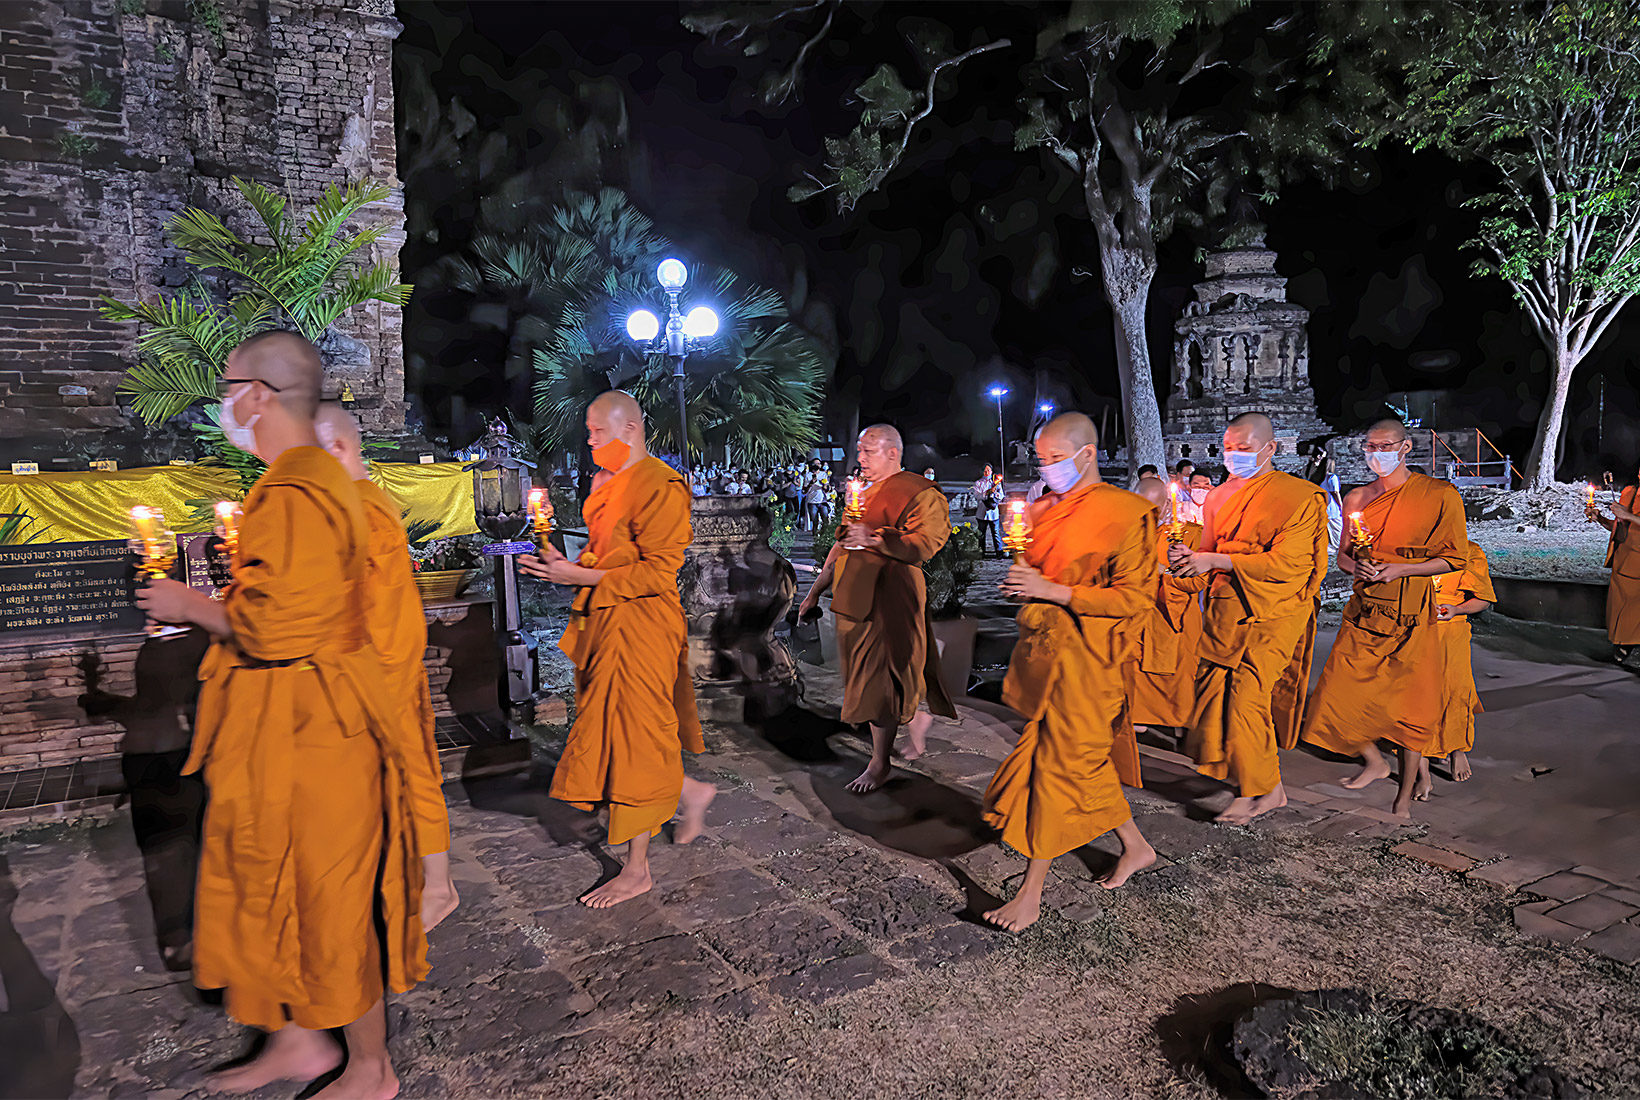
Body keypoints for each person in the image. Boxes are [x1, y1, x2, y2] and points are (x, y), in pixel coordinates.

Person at [135, 331, 422, 1098]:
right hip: (283, 731)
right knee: (270, 888)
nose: (222, 404)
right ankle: (296, 1040)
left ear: (256, 393)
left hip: (316, 735)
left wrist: (190, 604)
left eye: (226, 388)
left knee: (327, 904)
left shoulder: (299, 490)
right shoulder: (293, 485)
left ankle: (372, 1067)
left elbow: (279, 628)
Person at [518, 391, 716, 906]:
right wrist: (566, 564)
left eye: (598, 431)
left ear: (629, 427)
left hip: (642, 627)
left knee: (637, 741)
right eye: (588, 430)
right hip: (604, 623)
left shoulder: (660, 486)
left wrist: (579, 574)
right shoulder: (607, 483)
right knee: (615, 732)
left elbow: (657, 570)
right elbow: (605, 554)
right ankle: (690, 793)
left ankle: (637, 869)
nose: (589, 439)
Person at [981, 412, 1157, 932]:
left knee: (1056, 771)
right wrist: (1022, 585)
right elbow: (1035, 576)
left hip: (1090, 660)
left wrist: (1056, 592)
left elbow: (1135, 597)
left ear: (1088, 454)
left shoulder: (1128, 514)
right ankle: (1137, 846)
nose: (1048, 468)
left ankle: (1031, 893)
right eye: (1042, 459)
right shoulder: (1040, 511)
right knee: (1080, 764)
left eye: (1057, 458)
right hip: (1044, 653)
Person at [315, 403, 460, 934]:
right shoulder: (359, 501)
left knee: (412, 776)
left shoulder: (361, 509)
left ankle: (439, 887)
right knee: (405, 776)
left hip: (380, 670)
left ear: (336, 448)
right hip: (378, 665)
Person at [1301, 419, 1467, 819]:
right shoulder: (1358, 498)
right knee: (1336, 696)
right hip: (1367, 610)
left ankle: (1405, 795)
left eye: (1384, 446)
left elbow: (1454, 557)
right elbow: (1342, 555)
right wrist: (1354, 569)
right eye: (1369, 447)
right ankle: (1375, 761)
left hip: (1412, 610)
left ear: (1406, 446)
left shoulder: (1438, 495)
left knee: (1413, 702)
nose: (1376, 454)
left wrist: (1400, 570)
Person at [1167, 412, 1328, 825]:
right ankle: (1262, 786)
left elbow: (1288, 563)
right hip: (1228, 609)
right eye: (1228, 448)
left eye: (1244, 448)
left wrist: (1213, 559)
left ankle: (1259, 788)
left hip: (1277, 608)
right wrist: (1184, 562)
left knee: (1246, 696)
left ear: (1270, 448)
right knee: (1221, 701)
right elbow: (1206, 556)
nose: (1233, 456)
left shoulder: (1300, 496)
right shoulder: (1219, 497)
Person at [797, 425, 951, 792]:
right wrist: (815, 592)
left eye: (868, 451)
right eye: (860, 451)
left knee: (881, 681)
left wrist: (879, 538)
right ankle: (912, 721)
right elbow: (842, 546)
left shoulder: (919, 493)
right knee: (869, 678)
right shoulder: (862, 495)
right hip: (853, 598)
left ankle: (879, 762)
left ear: (892, 453)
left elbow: (926, 543)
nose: (860, 459)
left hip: (891, 597)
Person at [1123, 477, 1204, 734]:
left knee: (1178, 677)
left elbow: (1198, 581)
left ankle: (1179, 725)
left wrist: (1164, 573)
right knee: (1134, 673)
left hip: (1173, 619)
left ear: (1168, 505)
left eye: (1152, 510)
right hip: (1136, 618)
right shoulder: (1128, 534)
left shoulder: (1191, 534)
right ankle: (1138, 718)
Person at [1423, 539, 1495, 787]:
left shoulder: (1470, 550)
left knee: (1456, 688)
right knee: (1420, 690)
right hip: (1415, 628)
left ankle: (1456, 748)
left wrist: (1456, 609)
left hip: (1451, 629)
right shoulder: (1414, 547)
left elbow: (1483, 600)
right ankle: (1422, 750)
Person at [1588, 467, 1640, 666]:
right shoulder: (1629, 492)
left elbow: (1627, 518)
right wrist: (1600, 518)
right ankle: (1623, 645)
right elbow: (1619, 526)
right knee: (1619, 608)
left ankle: (1628, 648)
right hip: (1622, 559)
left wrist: (1628, 515)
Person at [978, 476, 1002, 558]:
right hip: (982, 513)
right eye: (985, 470)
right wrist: (987, 492)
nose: (987, 472)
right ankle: (981, 552)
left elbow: (1001, 495)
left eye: (988, 470)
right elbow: (977, 495)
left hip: (993, 514)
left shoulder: (996, 483)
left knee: (996, 533)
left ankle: (999, 552)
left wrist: (995, 494)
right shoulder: (979, 483)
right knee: (981, 534)